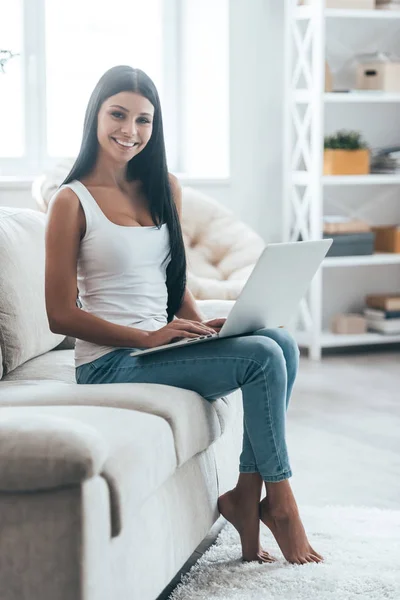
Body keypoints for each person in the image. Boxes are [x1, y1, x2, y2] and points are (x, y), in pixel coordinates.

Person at [45, 65, 323, 566]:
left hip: (161, 344)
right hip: (109, 362)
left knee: (276, 340)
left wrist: (198, 325)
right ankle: (280, 504)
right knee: (262, 357)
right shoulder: (71, 200)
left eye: (143, 120)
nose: (130, 130)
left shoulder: (163, 187)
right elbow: (59, 314)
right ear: (95, 117)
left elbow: (173, 281)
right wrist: (147, 337)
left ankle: (244, 495)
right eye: (118, 114)